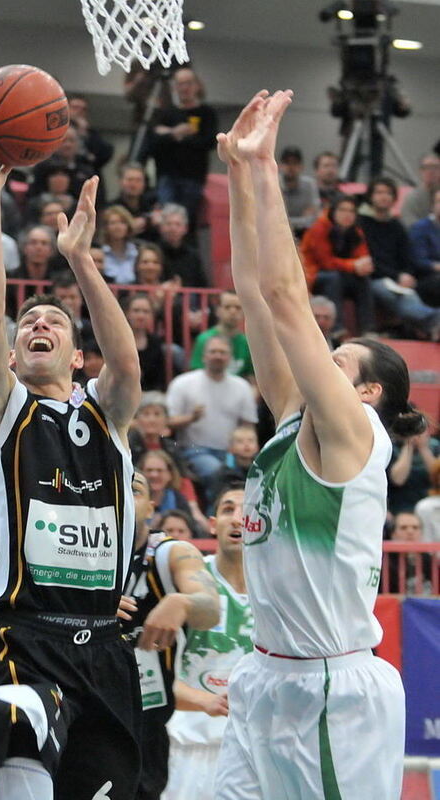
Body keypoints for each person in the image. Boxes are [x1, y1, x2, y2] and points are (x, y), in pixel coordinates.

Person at [214, 88, 424, 799]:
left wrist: (267, 167)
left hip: (331, 689)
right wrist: (240, 176)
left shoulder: (352, 430)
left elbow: (282, 292)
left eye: (338, 360)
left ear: (366, 394)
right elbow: (251, 290)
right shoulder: (290, 423)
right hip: (264, 673)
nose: (318, 360)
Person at [0, 113, 143, 799]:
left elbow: (125, 358)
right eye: (28, 322)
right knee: (21, 739)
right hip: (22, 635)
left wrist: (80, 260)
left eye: (54, 323)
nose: (38, 325)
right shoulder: (3, 411)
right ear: (10, 355)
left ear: (76, 353)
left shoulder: (106, 411)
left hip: (104, 648)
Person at [120, 472, 221, 800]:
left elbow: (210, 608)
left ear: (150, 507)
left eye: (133, 489)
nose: (121, 494)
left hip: (148, 722)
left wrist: (183, 600)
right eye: (112, 485)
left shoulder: (172, 552)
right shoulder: (74, 557)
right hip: (84, 713)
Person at [163, 486, 254, 800]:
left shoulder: (278, 589)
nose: (238, 519)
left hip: (254, 748)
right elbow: (150, 674)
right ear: (213, 524)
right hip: (189, 744)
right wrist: (204, 701)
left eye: (248, 510)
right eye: (228, 510)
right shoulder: (190, 581)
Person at [166, 337, 257, 485]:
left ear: (230, 358)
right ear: (203, 356)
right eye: (213, 352)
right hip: (194, 450)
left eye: (223, 352)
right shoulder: (182, 383)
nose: (218, 356)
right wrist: (191, 418)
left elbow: (248, 426)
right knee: (219, 473)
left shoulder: (242, 386)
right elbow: (167, 422)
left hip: (232, 451)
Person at [359, 177, 439, 337]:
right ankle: (435, 320)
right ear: (370, 196)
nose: (384, 197)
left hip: (399, 279)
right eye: (379, 192)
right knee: (397, 295)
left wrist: (407, 274)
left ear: (394, 198)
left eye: (388, 193)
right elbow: (370, 259)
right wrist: (397, 276)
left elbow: (407, 257)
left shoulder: (397, 225)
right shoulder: (361, 223)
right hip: (374, 278)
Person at [142, 67, 217, 233]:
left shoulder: (207, 113)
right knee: (166, 220)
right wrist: (176, 132)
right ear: (175, 87)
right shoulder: (165, 113)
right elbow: (153, 142)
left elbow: (209, 141)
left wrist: (173, 135)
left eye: (188, 83)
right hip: (167, 176)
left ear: (197, 86)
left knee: (187, 222)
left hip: (194, 178)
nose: (185, 88)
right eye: (180, 84)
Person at [300, 195, 375, 336]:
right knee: (333, 278)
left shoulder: (356, 231)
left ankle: (368, 329)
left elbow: (362, 255)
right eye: (342, 210)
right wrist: (353, 265)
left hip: (340, 272)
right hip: (312, 274)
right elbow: (325, 262)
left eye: (352, 211)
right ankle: (337, 328)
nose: (347, 215)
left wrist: (364, 265)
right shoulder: (319, 228)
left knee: (363, 280)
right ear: (333, 211)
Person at [189, 292, 254, 380]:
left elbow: (252, 377)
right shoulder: (203, 339)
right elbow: (195, 375)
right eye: (227, 307)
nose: (233, 312)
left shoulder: (247, 343)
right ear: (217, 310)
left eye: (238, 308)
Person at [277, 145, 319, 238]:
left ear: (301, 166)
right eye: (287, 163)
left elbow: (312, 219)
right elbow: (271, 220)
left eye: (295, 163)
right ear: (279, 166)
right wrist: (301, 220)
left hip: (303, 235)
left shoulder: (309, 185)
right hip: (276, 234)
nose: (291, 167)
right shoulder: (273, 184)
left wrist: (283, 221)